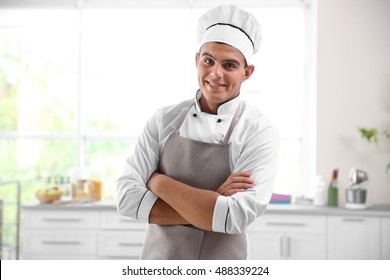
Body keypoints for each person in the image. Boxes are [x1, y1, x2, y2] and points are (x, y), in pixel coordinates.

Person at [117, 5, 279, 260]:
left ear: (247, 73)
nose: (216, 73)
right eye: (208, 60)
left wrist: (159, 182)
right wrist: (212, 203)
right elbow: (127, 199)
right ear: (196, 60)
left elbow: (234, 218)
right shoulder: (164, 120)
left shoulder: (258, 132)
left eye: (229, 65)